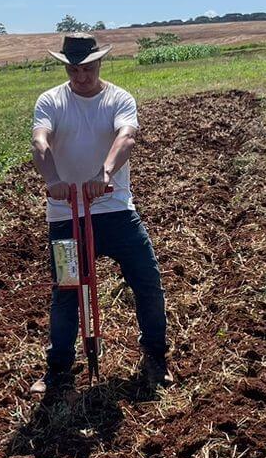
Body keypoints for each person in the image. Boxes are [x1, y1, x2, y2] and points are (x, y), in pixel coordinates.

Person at [30, 33, 172, 395]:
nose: (81, 77)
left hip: (114, 210)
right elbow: (40, 140)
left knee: (147, 280)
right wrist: (53, 179)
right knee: (66, 292)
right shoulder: (51, 101)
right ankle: (57, 370)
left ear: (99, 64)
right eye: (75, 70)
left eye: (88, 68)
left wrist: (105, 174)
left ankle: (156, 356)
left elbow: (126, 136)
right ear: (67, 68)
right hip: (65, 215)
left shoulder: (118, 98)